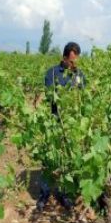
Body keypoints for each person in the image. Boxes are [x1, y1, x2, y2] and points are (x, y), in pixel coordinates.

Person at [37, 42, 86, 211]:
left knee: (66, 159)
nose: (74, 65)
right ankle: (44, 194)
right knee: (49, 157)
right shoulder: (52, 73)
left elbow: (83, 96)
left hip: (72, 125)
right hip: (55, 122)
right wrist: (67, 95)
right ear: (64, 58)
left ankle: (63, 193)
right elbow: (51, 96)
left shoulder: (79, 74)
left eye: (76, 61)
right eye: (71, 61)